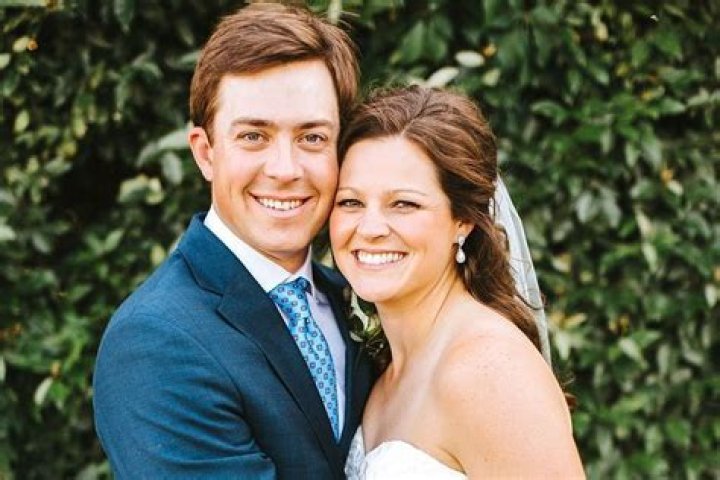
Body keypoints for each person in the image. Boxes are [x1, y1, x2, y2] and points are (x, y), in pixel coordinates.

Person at [93, 4, 375, 478]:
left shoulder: (361, 299)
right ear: (205, 153)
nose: (285, 169)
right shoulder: (154, 340)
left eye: (311, 138)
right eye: (253, 136)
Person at [331, 86, 585, 479]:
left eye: (404, 204)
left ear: (462, 220)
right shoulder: (384, 371)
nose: (370, 228)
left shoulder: (488, 369)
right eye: (351, 202)